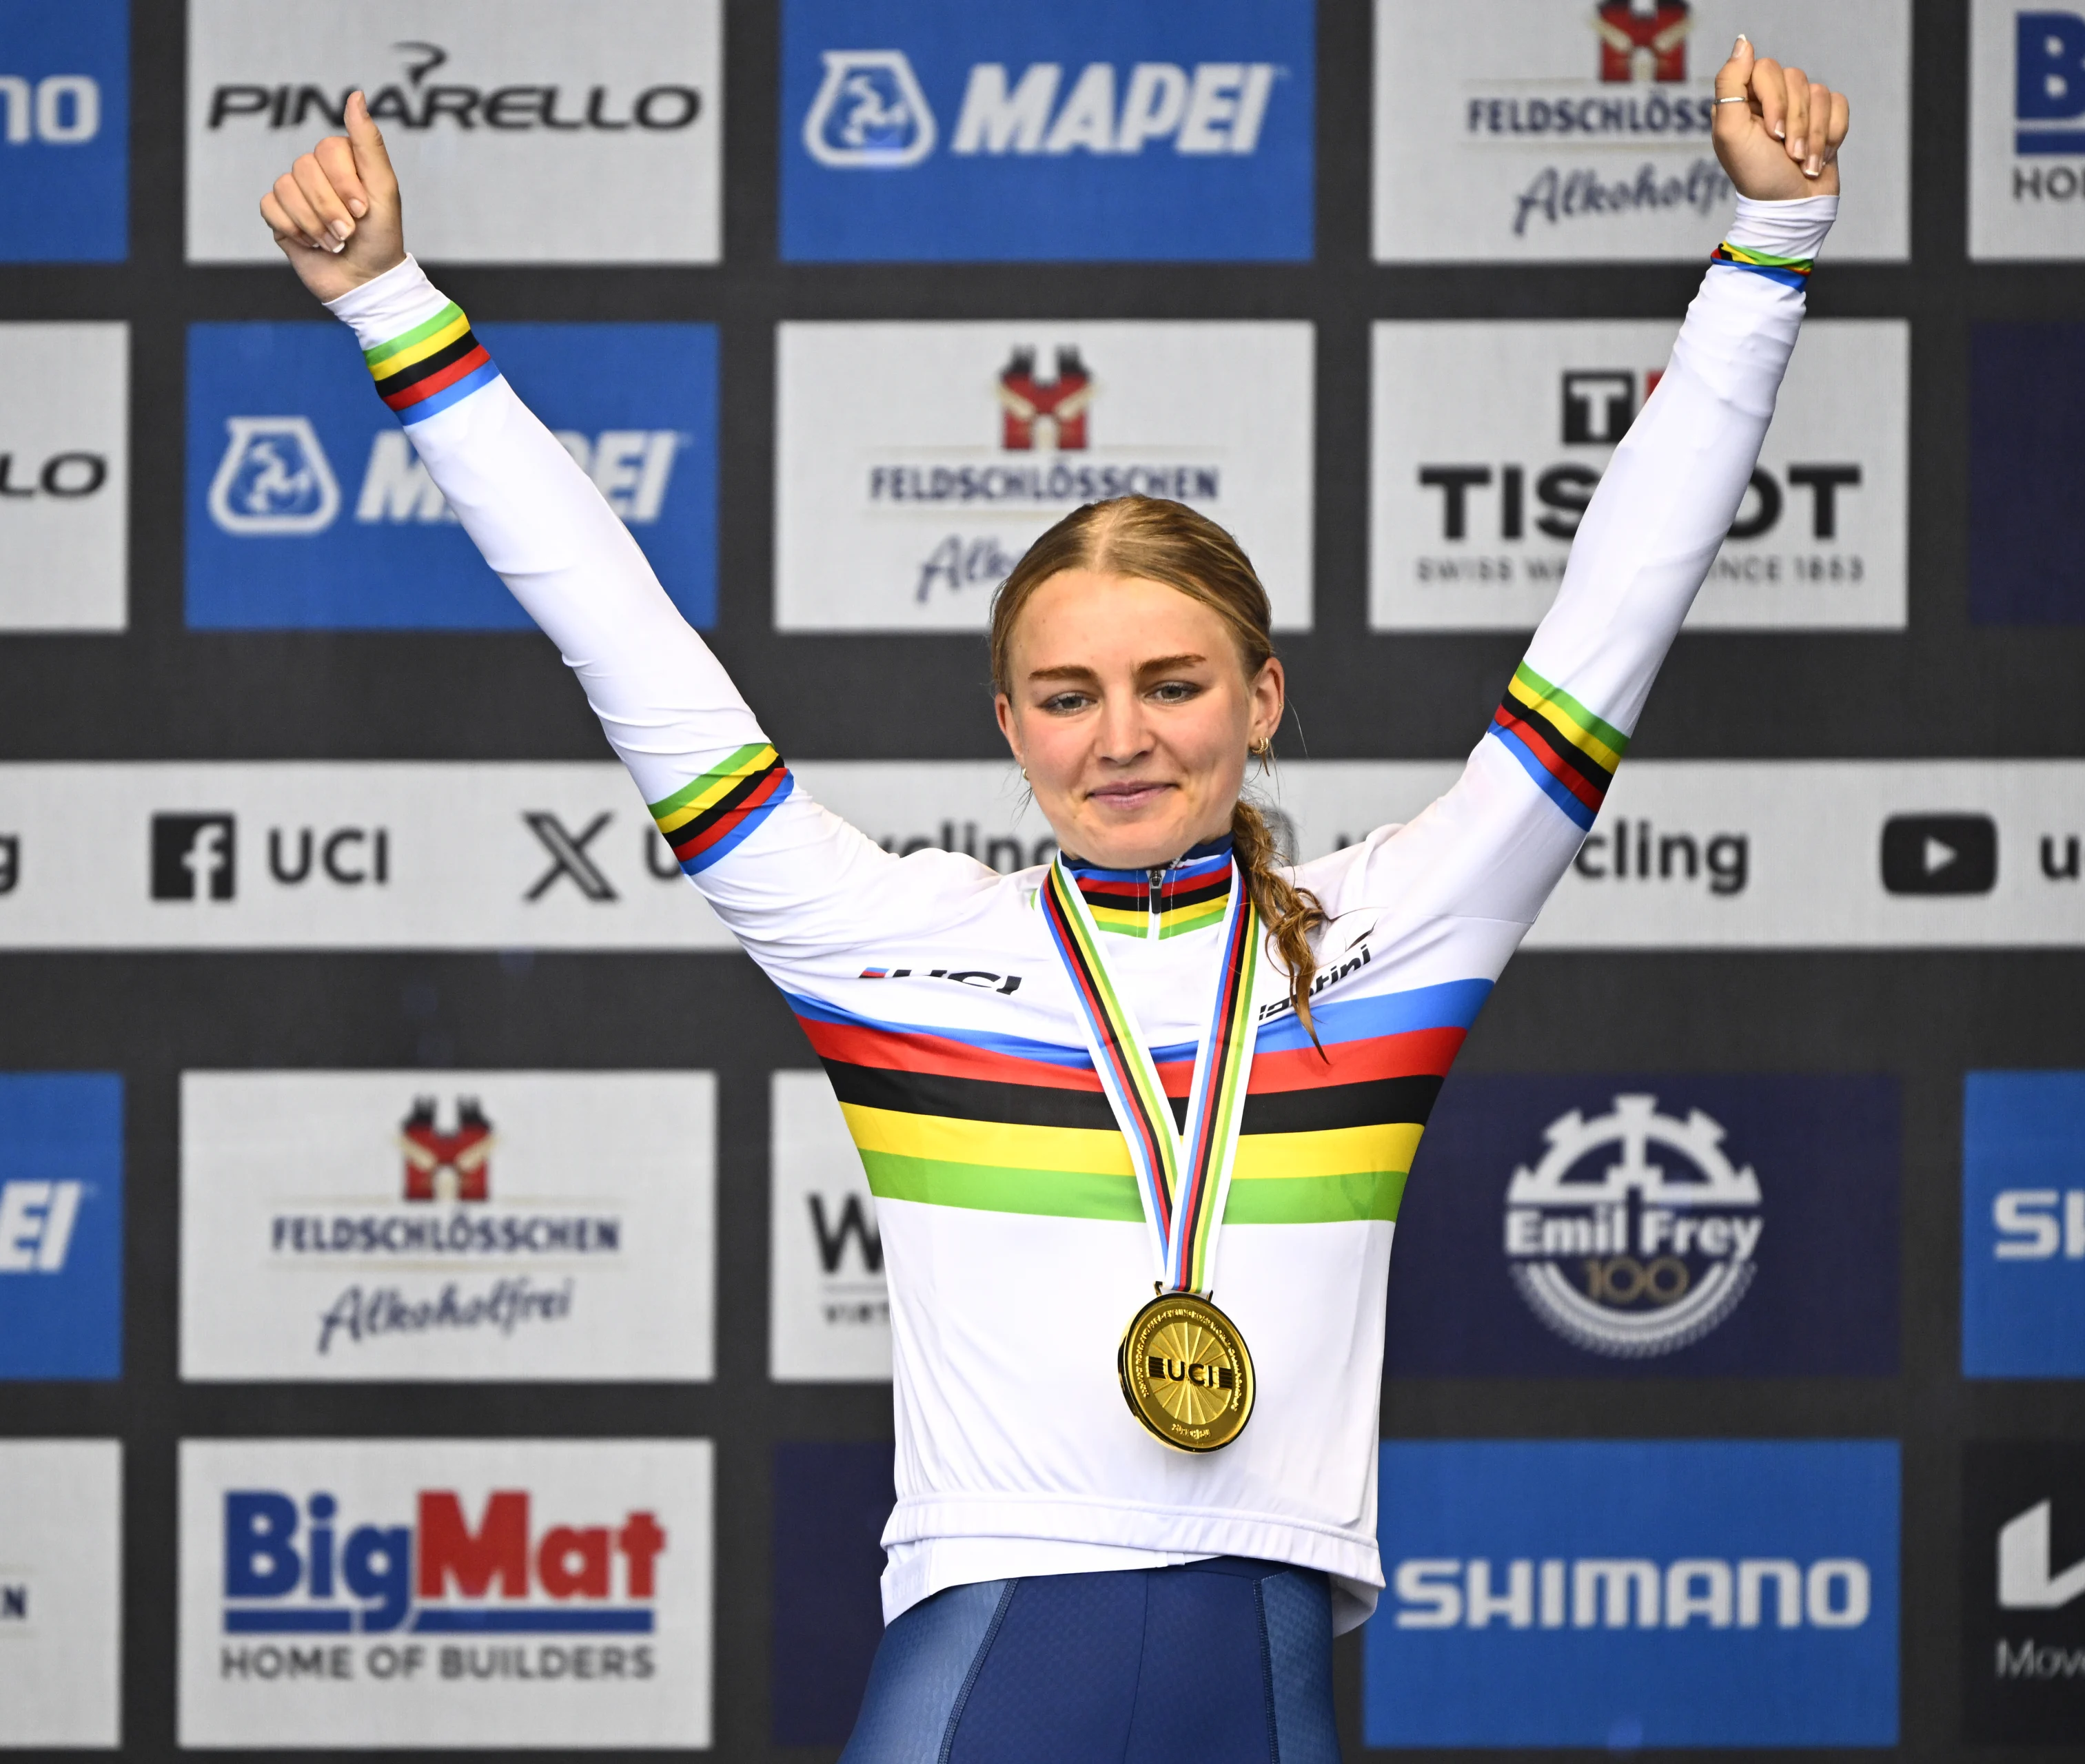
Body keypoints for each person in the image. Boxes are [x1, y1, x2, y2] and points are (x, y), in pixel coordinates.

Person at [258, 36, 1846, 1762]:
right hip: (992, 1659)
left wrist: (1772, 247)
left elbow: (1620, 601)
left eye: (1175, 683)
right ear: (1008, 724)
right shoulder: (901, 951)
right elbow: (621, 630)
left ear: (1264, 698)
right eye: (1070, 695)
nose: (1125, 739)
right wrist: (392, 306)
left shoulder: (1402, 931)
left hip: (1272, 1669)